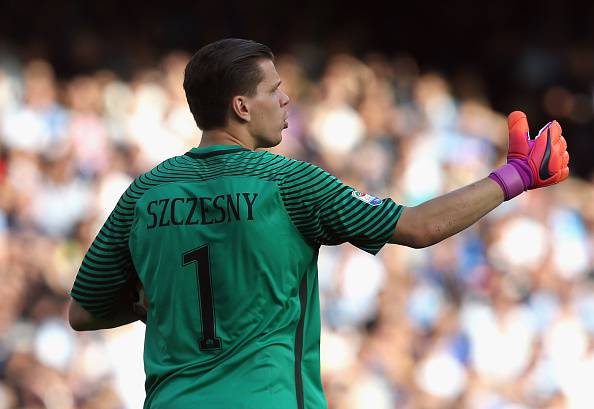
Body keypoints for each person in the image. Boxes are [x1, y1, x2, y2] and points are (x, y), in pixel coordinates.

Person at [67, 38, 570, 409]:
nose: (287, 101)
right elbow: (418, 228)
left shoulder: (146, 192)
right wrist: (517, 175)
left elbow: (83, 312)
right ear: (241, 107)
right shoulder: (288, 182)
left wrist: (153, 303)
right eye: (275, 90)